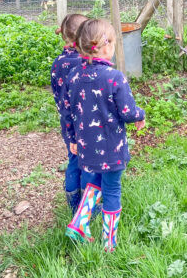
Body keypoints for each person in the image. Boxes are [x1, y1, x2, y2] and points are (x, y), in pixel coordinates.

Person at [61, 18, 145, 250]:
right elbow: (127, 112)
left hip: (86, 148)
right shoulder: (114, 78)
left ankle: (79, 223)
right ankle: (109, 241)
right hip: (111, 149)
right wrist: (140, 115)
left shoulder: (74, 77)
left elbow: (68, 112)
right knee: (111, 188)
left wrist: (72, 140)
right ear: (107, 47)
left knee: (94, 183)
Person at [50, 13, 88, 217]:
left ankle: (73, 203)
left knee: (73, 159)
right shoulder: (83, 63)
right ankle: (89, 206)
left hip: (68, 124)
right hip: (87, 123)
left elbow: (56, 92)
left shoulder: (58, 62)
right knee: (90, 163)